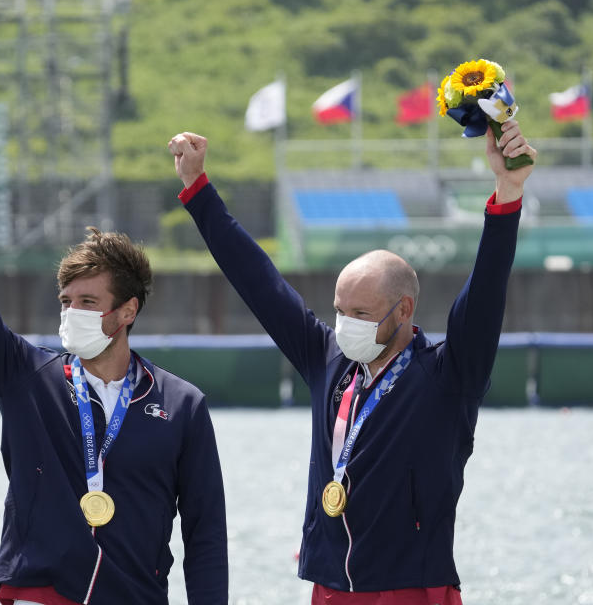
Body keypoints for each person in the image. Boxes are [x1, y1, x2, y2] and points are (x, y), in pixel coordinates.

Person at [168, 120, 536, 604]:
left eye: (361, 314)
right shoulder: (328, 360)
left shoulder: (450, 374)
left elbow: (487, 289)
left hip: (411, 588)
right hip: (330, 586)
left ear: (403, 310)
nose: (345, 325)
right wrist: (198, 190)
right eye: (340, 311)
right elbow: (258, 281)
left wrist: (506, 193)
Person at [0, 103, 228, 605]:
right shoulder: (24, 374)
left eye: (88, 302)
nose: (72, 313)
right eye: (66, 302)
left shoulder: (182, 404)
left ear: (127, 311)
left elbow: (205, 537)